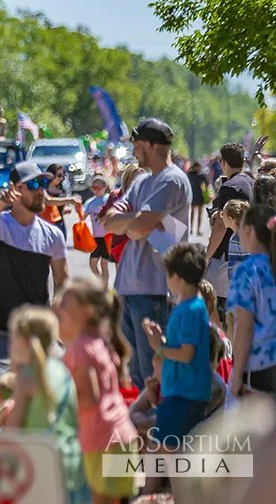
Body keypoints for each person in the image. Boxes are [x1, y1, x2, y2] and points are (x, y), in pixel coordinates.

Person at [102, 118, 192, 389]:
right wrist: (137, 221)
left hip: (153, 292)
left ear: (151, 145)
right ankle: (140, 430)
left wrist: (135, 223)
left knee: (153, 376)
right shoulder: (142, 182)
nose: (133, 150)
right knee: (133, 377)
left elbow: (139, 228)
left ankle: (156, 432)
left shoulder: (172, 180)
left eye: (137, 144)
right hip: (129, 290)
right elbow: (109, 220)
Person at [55, 276, 140, 504]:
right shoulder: (99, 342)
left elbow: (88, 397)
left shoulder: (81, 348)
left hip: (101, 443)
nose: (58, 305)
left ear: (87, 311)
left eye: (65, 304)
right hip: (120, 436)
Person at [0, 161, 69, 368]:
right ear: (16, 190)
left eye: (44, 183)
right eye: (34, 185)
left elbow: (62, 283)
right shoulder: (0, 226)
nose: (41, 192)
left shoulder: (53, 235)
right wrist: (1, 203)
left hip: (39, 336)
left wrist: (58, 325)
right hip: (1, 334)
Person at [2, 306, 87, 504]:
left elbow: (12, 431)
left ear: (22, 342)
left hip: (40, 465)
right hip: (72, 462)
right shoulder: (63, 370)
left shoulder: (27, 378)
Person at [142, 243, 214, 474]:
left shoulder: (190, 309)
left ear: (178, 277)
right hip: (183, 391)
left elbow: (186, 354)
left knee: (167, 456)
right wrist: (161, 339)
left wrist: (158, 347)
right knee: (170, 455)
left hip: (184, 393)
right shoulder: (192, 307)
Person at [227, 204, 276, 398]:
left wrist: (237, 373)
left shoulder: (247, 271)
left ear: (248, 230)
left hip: (260, 365)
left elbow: (244, 326)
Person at [205, 143, 252, 312]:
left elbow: (220, 227)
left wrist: (207, 257)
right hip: (246, 251)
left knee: (215, 307)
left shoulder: (229, 187)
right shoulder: (250, 181)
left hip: (225, 255)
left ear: (224, 163)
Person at [84, 176, 113, 285]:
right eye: (93, 187)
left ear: (105, 187)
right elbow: (83, 215)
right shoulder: (90, 202)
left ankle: (104, 287)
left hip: (107, 236)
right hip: (96, 236)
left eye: (98, 187)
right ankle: (101, 282)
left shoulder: (109, 200)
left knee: (104, 263)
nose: (95, 190)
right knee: (93, 263)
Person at [188, 161, 210, 235]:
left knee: (192, 213)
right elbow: (207, 184)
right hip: (199, 195)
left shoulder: (189, 175)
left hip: (192, 194)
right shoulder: (201, 176)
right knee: (199, 214)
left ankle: (191, 229)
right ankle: (197, 230)